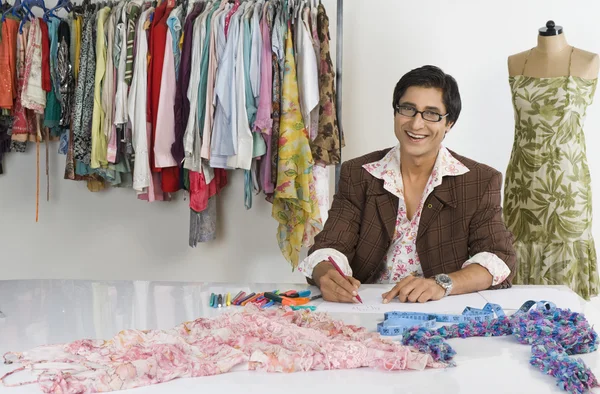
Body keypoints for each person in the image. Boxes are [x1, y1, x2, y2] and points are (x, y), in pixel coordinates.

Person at [297, 65, 517, 304]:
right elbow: (330, 246)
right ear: (395, 112)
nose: (416, 124)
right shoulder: (359, 174)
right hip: (366, 306)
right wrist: (326, 275)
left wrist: (442, 284)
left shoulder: (478, 181)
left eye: (431, 113)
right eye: (408, 109)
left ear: (449, 123)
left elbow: (499, 259)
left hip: (440, 309)